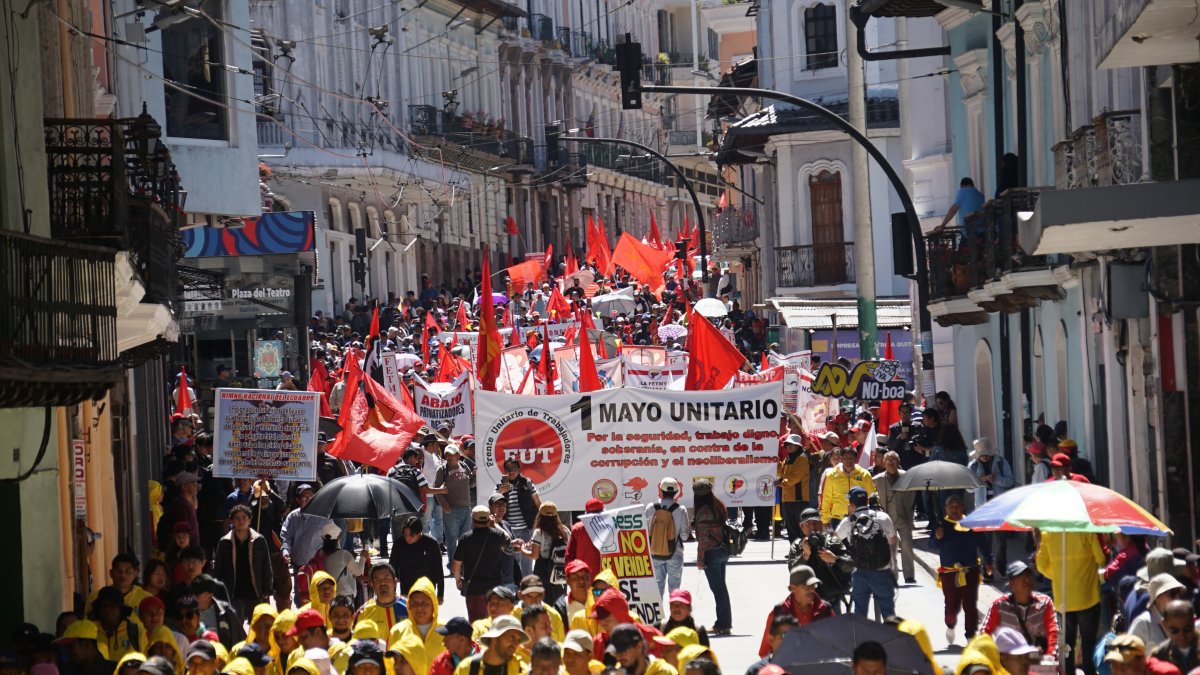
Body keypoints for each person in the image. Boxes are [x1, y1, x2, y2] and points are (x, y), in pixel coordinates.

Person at [1036, 528, 1106, 675]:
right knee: (1089, 642)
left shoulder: (1048, 533)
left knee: (1066, 645)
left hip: (1063, 601)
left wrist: (1060, 573)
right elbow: (1101, 559)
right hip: (1088, 598)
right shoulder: (1087, 531)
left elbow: (1041, 565)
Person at [836, 486, 897, 619]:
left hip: (860, 572)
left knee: (860, 613)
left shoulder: (848, 522)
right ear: (868, 501)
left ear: (851, 505)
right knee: (888, 612)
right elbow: (892, 540)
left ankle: (861, 638)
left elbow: (835, 540)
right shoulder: (882, 517)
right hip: (883, 570)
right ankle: (891, 637)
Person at [934, 495, 985, 644]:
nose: (954, 509)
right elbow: (933, 544)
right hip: (950, 573)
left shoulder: (970, 524)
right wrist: (937, 537)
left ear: (963, 507)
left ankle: (970, 635)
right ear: (946, 509)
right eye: (951, 506)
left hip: (970, 570)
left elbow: (982, 543)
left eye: (957, 506)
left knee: (970, 604)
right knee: (951, 604)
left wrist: (988, 560)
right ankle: (950, 626)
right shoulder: (940, 525)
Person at [213, 504, 274, 621]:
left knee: (257, 627)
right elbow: (218, 570)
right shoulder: (224, 542)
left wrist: (267, 589)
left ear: (250, 520)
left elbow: (266, 566)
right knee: (236, 628)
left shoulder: (259, 540)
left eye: (244, 517)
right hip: (234, 593)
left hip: (255, 592)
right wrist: (218, 592)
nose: (241, 521)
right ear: (232, 520)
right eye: (237, 518)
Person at [981, 561, 1057, 655]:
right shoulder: (1000, 606)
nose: (1027, 580)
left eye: (1029, 575)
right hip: (1010, 661)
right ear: (1011, 583)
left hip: (1037, 660)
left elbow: (1053, 633)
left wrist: (1050, 657)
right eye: (1022, 576)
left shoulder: (1044, 603)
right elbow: (984, 634)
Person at [454, 506, 514, 621]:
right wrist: (495, 524)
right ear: (488, 519)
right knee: (496, 623)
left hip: (474, 589)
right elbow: (508, 539)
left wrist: (458, 580)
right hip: (495, 589)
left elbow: (456, 564)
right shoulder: (497, 535)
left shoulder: (466, 538)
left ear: (472, 520)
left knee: (477, 625)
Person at [758, 566, 834, 657]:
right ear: (793, 588)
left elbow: (838, 644)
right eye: (807, 587)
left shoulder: (825, 611)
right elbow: (764, 652)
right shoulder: (778, 613)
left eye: (814, 585)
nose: (812, 590)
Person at [785, 507, 853, 609]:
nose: (812, 527)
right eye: (808, 524)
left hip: (831, 597)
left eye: (815, 523)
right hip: (806, 599)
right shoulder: (798, 545)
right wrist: (805, 556)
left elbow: (850, 565)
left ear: (821, 524)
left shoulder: (832, 541)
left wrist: (834, 559)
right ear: (802, 527)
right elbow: (793, 571)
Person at [967, 438, 1015, 577]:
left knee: (1001, 541)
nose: (985, 457)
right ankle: (986, 570)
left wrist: (996, 479)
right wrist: (979, 481)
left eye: (987, 455)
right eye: (982, 455)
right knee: (984, 542)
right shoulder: (973, 466)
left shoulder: (1001, 463)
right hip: (983, 508)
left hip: (999, 507)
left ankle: (1001, 567)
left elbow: (1010, 481)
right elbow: (969, 488)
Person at [691, 479, 732, 636]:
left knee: (718, 590)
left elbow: (703, 539)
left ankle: (722, 624)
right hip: (722, 551)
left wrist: (700, 560)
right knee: (722, 588)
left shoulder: (703, 511)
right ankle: (724, 622)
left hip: (711, 554)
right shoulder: (718, 506)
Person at [872, 450, 916, 584]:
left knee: (907, 546)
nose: (891, 463)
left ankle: (909, 575)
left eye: (894, 460)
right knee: (890, 549)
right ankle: (892, 575)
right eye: (888, 460)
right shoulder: (877, 479)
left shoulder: (907, 476)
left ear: (899, 462)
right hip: (887, 519)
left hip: (904, 517)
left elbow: (912, 496)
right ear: (884, 463)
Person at [647, 477, 692, 599]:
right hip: (675, 553)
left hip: (654, 553)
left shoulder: (651, 508)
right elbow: (684, 536)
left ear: (661, 490)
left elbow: (646, 532)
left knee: (657, 587)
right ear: (676, 492)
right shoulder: (681, 509)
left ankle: (657, 617)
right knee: (675, 589)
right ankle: (675, 616)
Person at [497, 458, 542, 577]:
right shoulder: (500, 485)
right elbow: (492, 505)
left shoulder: (527, 483)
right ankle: (515, 585)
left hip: (526, 528)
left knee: (527, 559)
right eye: (508, 469)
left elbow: (538, 503)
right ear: (504, 470)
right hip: (509, 530)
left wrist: (541, 522)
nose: (511, 471)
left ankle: (528, 584)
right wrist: (499, 493)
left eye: (514, 468)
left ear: (519, 469)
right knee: (512, 560)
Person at [520, 502, 570, 606]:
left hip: (544, 571)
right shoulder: (565, 530)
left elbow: (535, 555)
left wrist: (522, 549)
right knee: (560, 601)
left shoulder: (539, 532)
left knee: (545, 603)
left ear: (540, 515)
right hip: (560, 571)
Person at [435, 445, 476, 564]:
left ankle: (463, 564)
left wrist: (474, 475)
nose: (448, 456)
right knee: (451, 539)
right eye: (447, 454)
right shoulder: (442, 469)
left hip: (466, 508)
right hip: (451, 509)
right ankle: (453, 565)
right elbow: (437, 490)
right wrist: (444, 505)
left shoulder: (464, 466)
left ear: (458, 455)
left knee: (465, 539)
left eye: (451, 454)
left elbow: (471, 484)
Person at [389, 577, 445, 659]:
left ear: (434, 605)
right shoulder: (398, 631)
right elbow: (391, 666)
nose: (419, 608)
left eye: (424, 603)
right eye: (415, 603)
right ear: (409, 605)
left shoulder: (446, 631)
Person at [391, 515, 445, 600]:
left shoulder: (431, 543)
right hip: (406, 590)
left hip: (427, 589)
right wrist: (392, 592)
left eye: (411, 535)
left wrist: (440, 594)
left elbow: (438, 569)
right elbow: (392, 568)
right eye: (405, 535)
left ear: (419, 533)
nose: (407, 538)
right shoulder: (399, 544)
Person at [818, 447, 876, 525]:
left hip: (860, 517)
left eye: (851, 458)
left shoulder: (865, 474)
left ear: (856, 459)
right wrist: (824, 519)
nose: (848, 460)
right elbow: (826, 498)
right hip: (838, 518)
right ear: (841, 459)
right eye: (846, 458)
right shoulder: (831, 475)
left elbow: (872, 495)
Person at [453, 615, 528, 675]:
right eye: (512, 638)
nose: (515, 644)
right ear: (495, 637)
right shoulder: (466, 668)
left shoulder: (521, 670)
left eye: (518, 640)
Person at [84, 554, 155, 617]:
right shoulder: (95, 597)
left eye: (127, 571)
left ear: (136, 573)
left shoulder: (147, 599)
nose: (123, 575)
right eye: (118, 571)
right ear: (111, 573)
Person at [89, 586, 147, 661]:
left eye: (112, 605)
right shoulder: (90, 633)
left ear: (121, 609)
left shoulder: (137, 632)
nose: (107, 608)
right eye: (104, 605)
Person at [1131, 574, 1188, 648]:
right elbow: (1129, 655)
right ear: (1158, 598)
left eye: (1178, 593)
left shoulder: (1180, 620)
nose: (1177, 598)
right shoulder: (1143, 622)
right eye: (1172, 594)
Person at [1148, 600, 1199, 673]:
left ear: (1194, 622)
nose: (1182, 636)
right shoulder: (1160, 655)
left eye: (1187, 629)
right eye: (1175, 631)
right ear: (1165, 625)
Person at [777, 434, 811, 543]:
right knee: (791, 529)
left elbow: (796, 477)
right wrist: (776, 462)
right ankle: (794, 551)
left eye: (791, 444)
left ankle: (803, 552)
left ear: (798, 445)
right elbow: (781, 472)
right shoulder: (787, 459)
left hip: (799, 500)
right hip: (787, 499)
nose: (788, 446)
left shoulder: (802, 458)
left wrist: (781, 483)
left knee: (802, 529)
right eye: (786, 444)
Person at [607, 623, 678, 675]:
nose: (618, 657)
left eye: (623, 651)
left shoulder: (665, 672)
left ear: (639, 647)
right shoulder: (616, 672)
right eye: (616, 652)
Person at [356, 563, 408, 633]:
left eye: (386, 578)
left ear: (395, 582)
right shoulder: (364, 612)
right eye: (377, 579)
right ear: (372, 584)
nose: (382, 582)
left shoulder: (409, 607)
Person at [565, 499, 605, 579]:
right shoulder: (611, 526)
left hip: (584, 578)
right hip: (606, 578)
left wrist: (570, 576)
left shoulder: (577, 529)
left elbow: (569, 556)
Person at [1103, 635, 1182, 675]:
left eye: (1125, 665)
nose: (1118, 671)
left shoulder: (1165, 673)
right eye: (1114, 664)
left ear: (1142, 660)